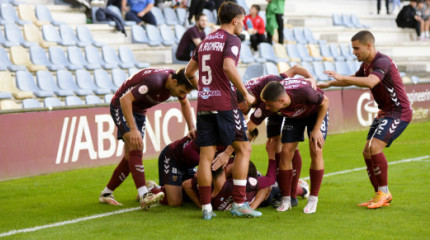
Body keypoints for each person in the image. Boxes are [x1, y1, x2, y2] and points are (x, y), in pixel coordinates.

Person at [185, 1, 261, 220]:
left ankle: (206, 207)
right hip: (225, 105)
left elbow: (189, 73)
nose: (244, 24)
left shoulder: (206, 40)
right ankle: (239, 203)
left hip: (205, 105)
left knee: (206, 157)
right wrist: (245, 93)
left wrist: (204, 90)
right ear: (235, 20)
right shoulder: (232, 39)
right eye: (243, 20)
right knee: (244, 149)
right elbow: (228, 66)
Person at [320, 30, 412, 209]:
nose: (354, 52)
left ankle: (384, 192)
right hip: (386, 111)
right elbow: (353, 79)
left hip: (398, 111)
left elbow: (370, 82)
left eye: (356, 48)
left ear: (369, 46)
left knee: (375, 147)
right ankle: (380, 193)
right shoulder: (366, 65)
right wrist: (330, 83)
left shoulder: (382, 61)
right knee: (367, 152)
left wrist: (341, 77)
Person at [213, 65, 316, 207]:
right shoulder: (243, 94)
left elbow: (295, 69)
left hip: (286, 108)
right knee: (274, 143)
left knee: (288, 147)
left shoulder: (272, 84)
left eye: (241, 109)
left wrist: (311, 78)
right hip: (272, 110)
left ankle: (292, 193)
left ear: (246, 101)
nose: (240, 113)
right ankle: (287, 191)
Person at [98, 67, 196, 210]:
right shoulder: (155, 81)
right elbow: (125, 100)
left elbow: (185, 103)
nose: (181, 95)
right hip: (121, 106)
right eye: (181, 91)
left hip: (138, 110)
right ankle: (144, 194)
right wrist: (132, 129)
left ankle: (106, 193)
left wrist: (191, 127)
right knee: (136, 146)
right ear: (174, 81)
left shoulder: (175, 81)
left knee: (130, 156)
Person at [260, 77, 329, 214]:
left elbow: (325, 101)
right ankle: (286, 199)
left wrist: (316, 129)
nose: (266, 108)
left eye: (269, 105)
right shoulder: (278, 98)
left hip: (315, 113)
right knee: (286, 152)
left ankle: (313, 199)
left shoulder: (306, 93)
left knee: (315, 148)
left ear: (282, 101)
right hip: (295, 116)